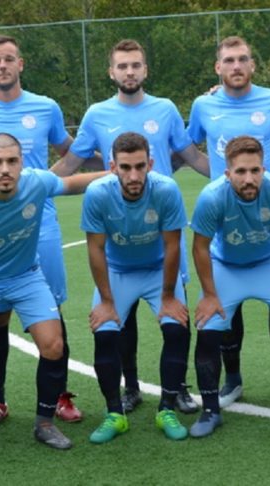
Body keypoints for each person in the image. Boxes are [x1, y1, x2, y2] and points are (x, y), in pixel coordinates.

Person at [51, 38, 209, 415]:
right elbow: (72, 162)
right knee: (123, 321)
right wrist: (34, 187)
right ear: (112, 72)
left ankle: (178, 388)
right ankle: (131, 387)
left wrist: (231, 178)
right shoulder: (97, 114)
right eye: (122, 66)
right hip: (121, 229)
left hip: (160, 225)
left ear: (145, 69)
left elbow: (189, 155)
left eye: (136, 65)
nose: (129, 71)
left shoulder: (165, 109)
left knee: (176, 313)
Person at [0, 133, 106, 459]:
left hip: (25, 277)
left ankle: (44, 423)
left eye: (12, 161)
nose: (5, 169)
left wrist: (114, 173)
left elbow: (73, 183)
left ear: (21, 163)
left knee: (53, 345)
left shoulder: (36, 183)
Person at [0, 34, 81, 425]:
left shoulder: (45, 107)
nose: (3, 65)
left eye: (9, 58)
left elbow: (71, 152)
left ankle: (59, 396)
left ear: (20, 64)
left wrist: (39, 184)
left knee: (52, 309)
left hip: (41, 225)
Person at [187, 36, 270, 409]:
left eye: (243, 59)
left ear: (253, 65)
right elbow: (186, 149)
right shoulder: (203, 105)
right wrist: (216, 177)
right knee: (227, 312)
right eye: (229, 60)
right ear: (218, 68)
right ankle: (233, 380)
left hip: (268, 220)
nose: (236, 66)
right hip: (225, 219)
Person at [190, 136, 270, 437]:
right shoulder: (212, 197)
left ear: (264, 169)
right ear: (228, 173)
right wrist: (209, 295)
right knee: (208, 328)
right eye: (240, 172)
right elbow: (200, 247)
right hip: (227, 265)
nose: (248, 179)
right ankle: (210, 410)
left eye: (255, 171)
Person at [82, 132, 191, 443]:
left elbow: (172, 246)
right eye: (125, 167)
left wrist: (168, 296)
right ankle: (115, 414)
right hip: (118, 271)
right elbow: (95, 249)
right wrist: (106, 302)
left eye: (140, 167)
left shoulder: (166, 190)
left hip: (157, 270)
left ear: (150, 164)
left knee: (177, 329)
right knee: (104, 334)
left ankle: (167, 408)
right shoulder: (97, 193)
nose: (133, 175)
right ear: (112, 167)